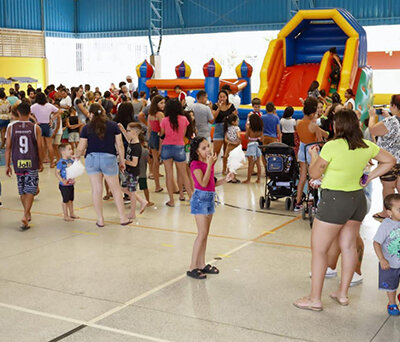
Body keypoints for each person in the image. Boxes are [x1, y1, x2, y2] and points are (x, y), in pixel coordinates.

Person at [293, 109, 396, 311]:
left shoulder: (332, 146)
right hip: (357, 200)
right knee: (348, 246)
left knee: (319, 250)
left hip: (334, 199)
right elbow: (390, 161)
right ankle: (342, 293)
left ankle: (314, 299)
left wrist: (314, 155)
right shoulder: (366, 145)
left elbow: (314, 173)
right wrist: (368, 177)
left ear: (337, 126)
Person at [75, 103, 131, 227]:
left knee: (96, 190)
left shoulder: (86, 128)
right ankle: (123, 218)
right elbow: (120, 145)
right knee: (116, 190)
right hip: (109, 159)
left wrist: (76, 157)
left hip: (92, 159)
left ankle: (100, 219)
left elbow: (81, 147)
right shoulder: (113, 126)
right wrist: (122, 161)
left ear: (91, 114)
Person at [187, 137, 233, 279]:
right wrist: (209, 165)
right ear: (197, 152)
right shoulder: (195, 165)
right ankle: (192, 267)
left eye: (208, 146)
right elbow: (203, 182)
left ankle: (201, 264)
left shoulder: (208, 163)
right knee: (201, 234)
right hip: (200, 199)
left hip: (209, 199)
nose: (208, 150)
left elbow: (212, 183)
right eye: (203, 148)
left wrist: (226, 179)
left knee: (205, 234)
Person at [5, 102, 43, 230]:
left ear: (18, 113)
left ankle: (27, 213)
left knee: (22, 189)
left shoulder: (11, 128)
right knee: (31, 189)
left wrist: (7, 165)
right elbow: (40, 147)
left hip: (18, 162)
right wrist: (41, 162)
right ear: (30, 113)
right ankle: (26, 214)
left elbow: (8, 148)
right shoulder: (35, 128)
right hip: (31, 161)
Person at [294, 97, 328, 211]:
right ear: (314, 113)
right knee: (315, 177)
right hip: (312, 150)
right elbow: (320, 141)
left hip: (302, 150)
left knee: (302, 177)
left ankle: (298, 202)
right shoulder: (314, 126)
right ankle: (313, 202)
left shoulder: (298, 122)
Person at [369, 95, 400, 220]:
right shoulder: (392, 121)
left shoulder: (390, 122)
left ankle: (387, 213)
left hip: (388, 161)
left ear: (393, 106)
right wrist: (388, 116)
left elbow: (373, 130)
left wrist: (372, 116)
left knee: (388, 188)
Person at [160, 99, 193, 207]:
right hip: (179, 147)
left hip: (166, 147)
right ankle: (191, 198)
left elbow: (162, 134)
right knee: (184, 175)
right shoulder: (184, 119)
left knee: (169, 175)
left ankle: (171, 201)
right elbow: (183, 134)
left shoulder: (164, 120)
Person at [373, 194, 400, 316]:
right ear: (389, 212)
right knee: (391, 285)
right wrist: (382, 259)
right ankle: (392, 303)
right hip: (390, 263)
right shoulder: (386, 225)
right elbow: (377, 243)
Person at [117, 122, 148, 219]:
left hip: (133, 173)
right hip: (128, 171)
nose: (127, 132)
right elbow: (127, 137)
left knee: (132, 193)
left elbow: (134, 163)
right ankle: (142, 201)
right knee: (124, 189)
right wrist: (122, 129)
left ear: (135, 132)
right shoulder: (131, 142)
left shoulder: (137, 147)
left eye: (129, 131)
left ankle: (132, 213)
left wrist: (123, 161)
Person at [30, 92, 63, 168]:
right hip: (47, 125)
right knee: (49, 145)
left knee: (40, 145)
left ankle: (40, 163)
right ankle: (52, 163)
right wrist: (51, 118)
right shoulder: (49, 105)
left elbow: (27, 113)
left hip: (39, 125)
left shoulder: (34, 106)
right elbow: (60, 111)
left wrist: (34, 119)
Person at [55, 144, 79, 221]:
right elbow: (57, 173)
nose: (71, 151)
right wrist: (62, 181)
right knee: (65, 200)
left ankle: (72, 213)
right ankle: (65, 215)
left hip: (70, 184)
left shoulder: (70, 160)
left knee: (71, 199)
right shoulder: (61, 162)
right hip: (64, 185)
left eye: (71, 149)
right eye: (69, 149)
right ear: (63, 152)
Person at [211, 90, 237, 158]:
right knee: (216, 152)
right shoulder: (215, 105)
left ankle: (225, 168)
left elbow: (235, 118)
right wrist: (219, 108)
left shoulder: (231, 105)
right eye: (220, 97)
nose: (222, 98)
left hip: (229, 129)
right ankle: (211, 168)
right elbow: (213, 118)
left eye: (224, 97)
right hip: (219, 129)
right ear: (218, 98)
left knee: (227, 153)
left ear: (227, 97)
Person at [147, 95, 165, 193]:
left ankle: (157, 185)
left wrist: (149, 141)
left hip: (153, 137)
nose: (163, 105)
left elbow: (149, 129)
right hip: (159, 137)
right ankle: (159, 185)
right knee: (159, 161)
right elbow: (163, 129)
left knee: (155, 161)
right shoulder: (159, 114)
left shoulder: (150, 114)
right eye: (161, 103)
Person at [243, 113, 263, 184]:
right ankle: (258, 179)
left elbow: (246, 137)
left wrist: (246, 128)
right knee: (258, 163)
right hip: (257, 145)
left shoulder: (250, 128)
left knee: (250, 164)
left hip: (251, 145)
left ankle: (248, 179)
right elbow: (261, 139)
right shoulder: (260, 129)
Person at [223, 114, 241, 182]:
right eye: (237, 120)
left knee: (229, 162)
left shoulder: (227, 128)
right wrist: (238, 142)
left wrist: (230, 142)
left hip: (229, 146)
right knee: (234, 163)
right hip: (235, 147)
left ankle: (228, 176)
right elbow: (239, 136)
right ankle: (233, 178)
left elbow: (225, 139)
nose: (238, 121)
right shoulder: (237, 128)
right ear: (233, 122)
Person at [138, 134, 154, 206]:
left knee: (131, 189)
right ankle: (147, 201)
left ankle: (132, 202)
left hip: (133, 173)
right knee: (145, 188)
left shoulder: (131, 149)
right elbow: (150, 162)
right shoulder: (145, 151)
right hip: (142, 173)